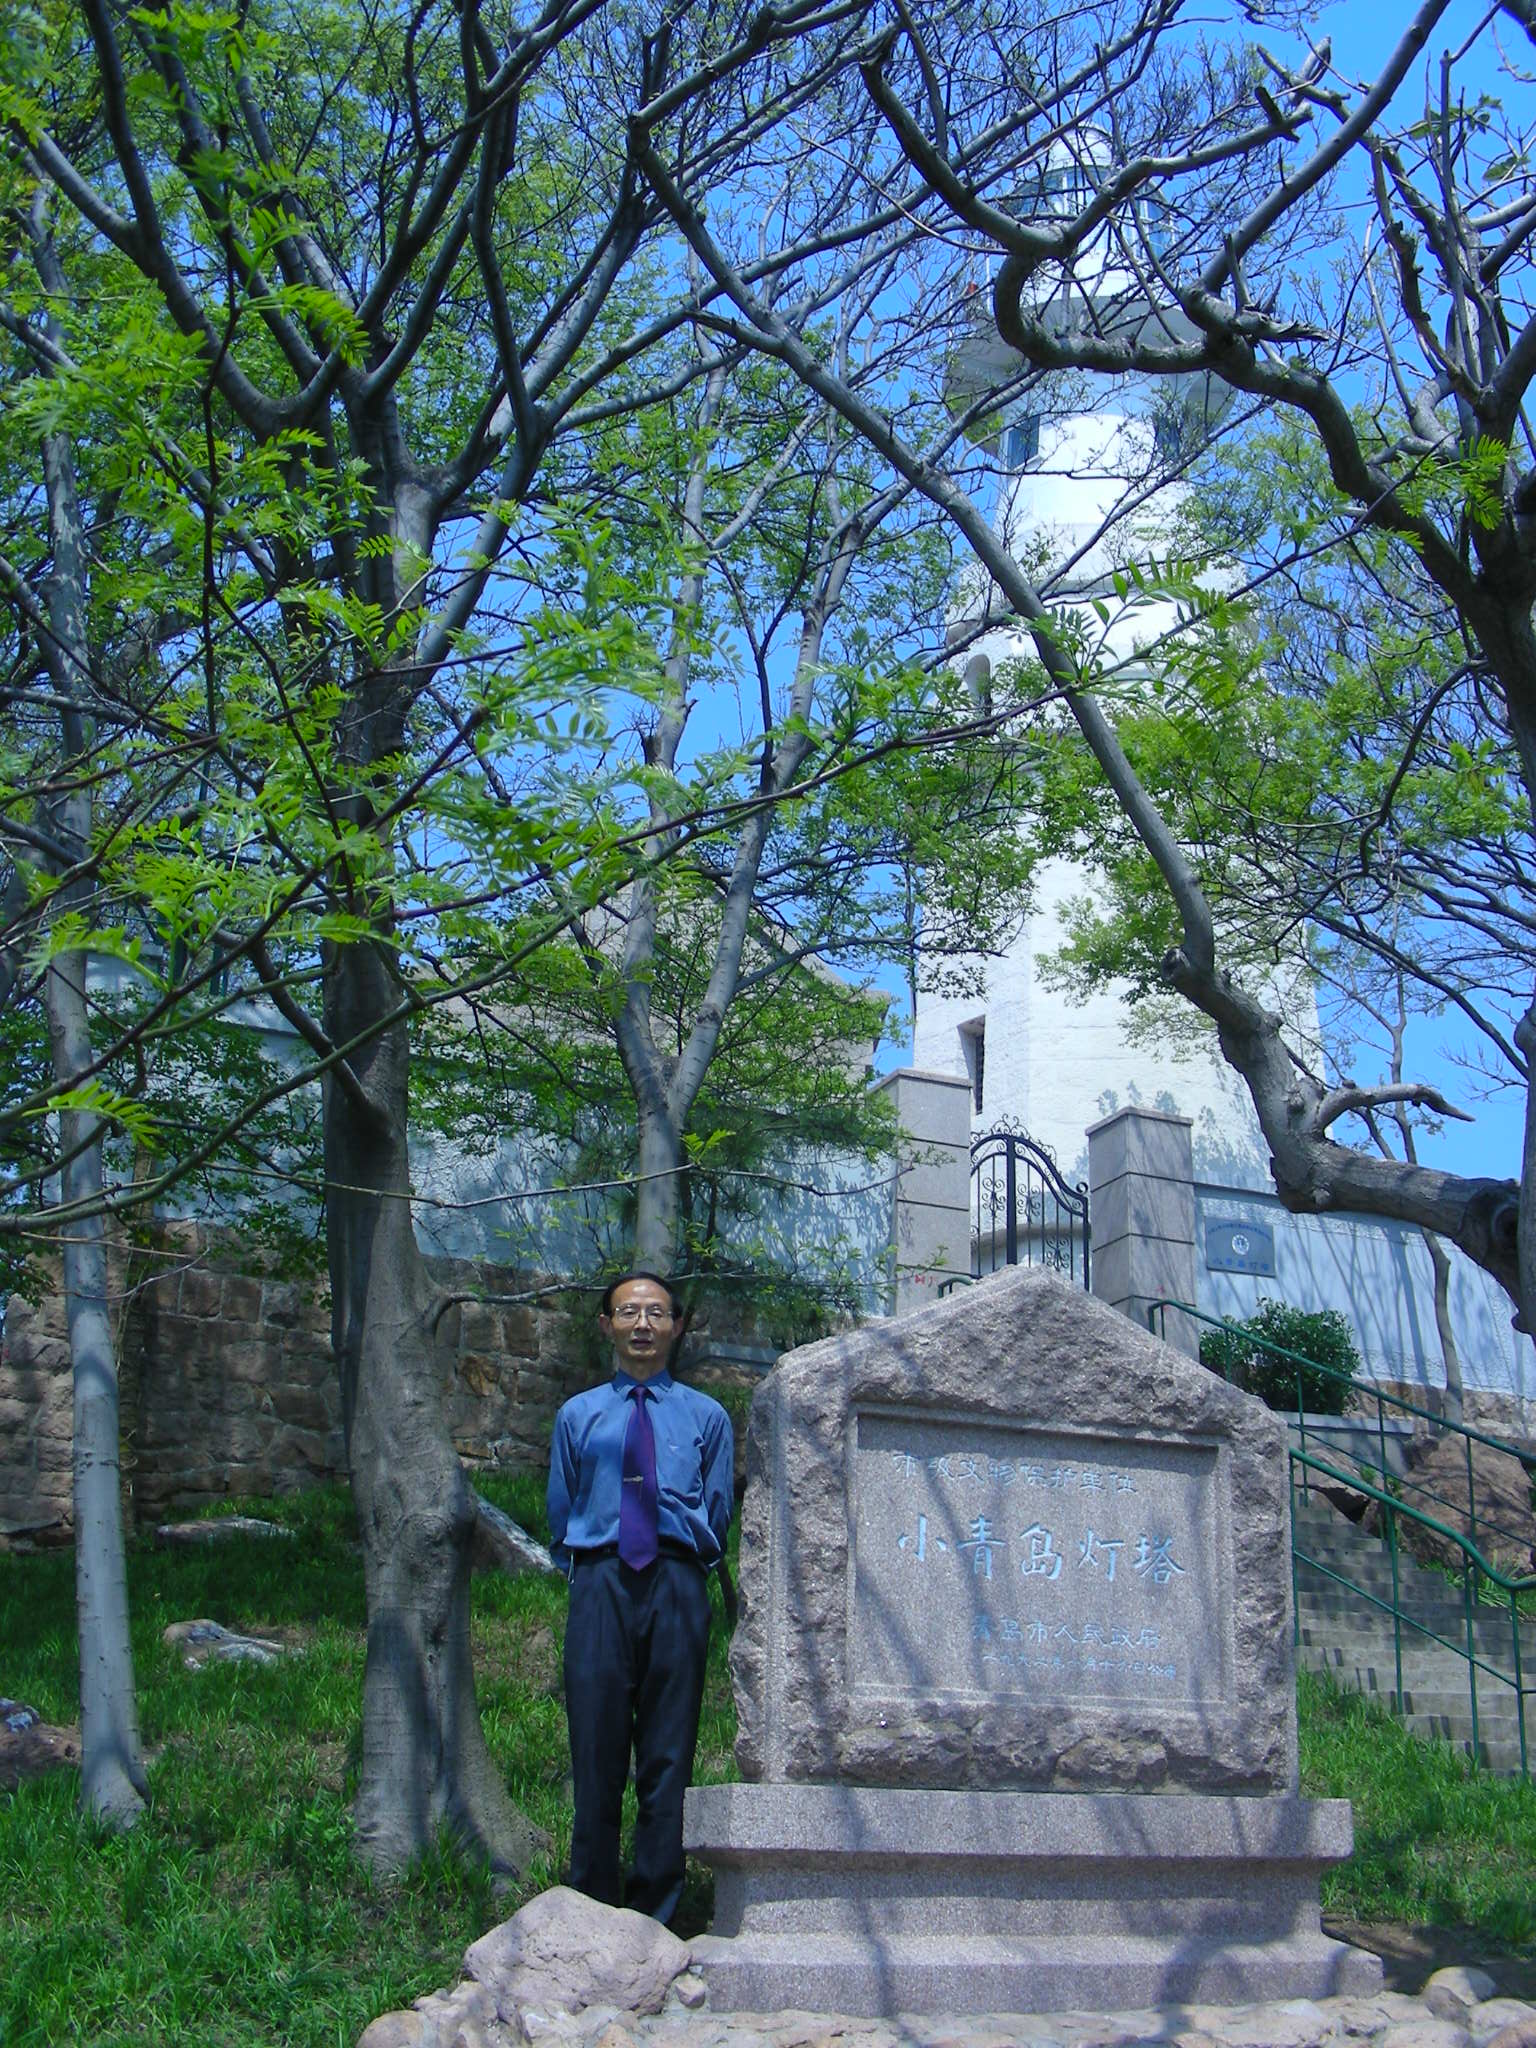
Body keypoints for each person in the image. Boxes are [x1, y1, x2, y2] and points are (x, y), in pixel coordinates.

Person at [546, 1271, 734, 1924]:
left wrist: (688, 1562)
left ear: (677, 1326)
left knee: (668, 1752)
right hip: (600, 1581)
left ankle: (656, 1911)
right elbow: (562, 1505)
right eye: (628, 1312)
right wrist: (584, 1566)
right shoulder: (578, 1415)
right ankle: (591, 1904)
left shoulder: (707, 1417)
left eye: (656, 1313)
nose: (643, 1324)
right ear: (607, 1325)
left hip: (678, 1581)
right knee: (595, 1748)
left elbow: (718, 1507)